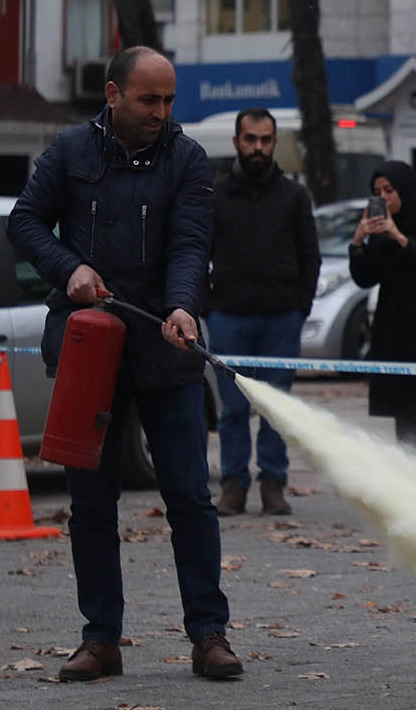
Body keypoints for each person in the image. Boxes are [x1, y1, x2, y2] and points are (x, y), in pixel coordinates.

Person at [6, 46, 242, 680]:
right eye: (149, 100)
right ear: (112, 95)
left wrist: (184, 307)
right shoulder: (68, 153)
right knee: (91, 504)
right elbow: (25, 222)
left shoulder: (188, 160)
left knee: (191, 496)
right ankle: (101, 639)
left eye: (168, 101)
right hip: (88, 348)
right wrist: (69, 268)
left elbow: (192, 245)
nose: (162, 113)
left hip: (168, 346)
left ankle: (209, 634)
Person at [209, 107, 320, 517]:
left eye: (266, 140)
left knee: (277, 406)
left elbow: (311, 257)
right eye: (251, 139)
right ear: (237, 142)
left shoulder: (294, 196)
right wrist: (206, 306)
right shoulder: (215, 195)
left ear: (274, 143)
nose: (258, 147)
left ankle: (274, 483)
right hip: (228, 317)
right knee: (234, 409)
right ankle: (233, 486)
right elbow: (196, 253)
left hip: (281, 318)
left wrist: (299, 307)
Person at [349, 161, 416, 452]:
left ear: (405, 190)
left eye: (389, 190)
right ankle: (411, 482)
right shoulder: (380, 230)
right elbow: (365, 277)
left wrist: (399, 238)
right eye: (377, 192)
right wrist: (359, 242)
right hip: (395, 331)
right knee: (404, 413)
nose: (383, 197)